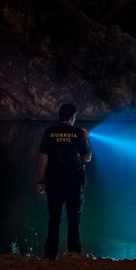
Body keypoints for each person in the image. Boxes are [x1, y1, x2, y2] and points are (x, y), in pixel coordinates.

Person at [36, 103, 92, 259]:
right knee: (74, 221)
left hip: (54, 182)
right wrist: (86, 139)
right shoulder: (78, 133)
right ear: (73, 117)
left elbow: (43, 158)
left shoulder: (49, 132)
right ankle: (73, 256)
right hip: (74, 183)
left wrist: (40, 180)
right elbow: (87, 157)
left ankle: (50, 257)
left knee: (54, 220)